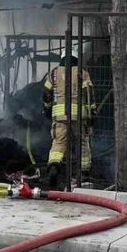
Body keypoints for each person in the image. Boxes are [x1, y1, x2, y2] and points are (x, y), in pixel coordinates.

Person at [42, 47, 96, 189]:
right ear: (76, 58)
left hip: (60, 115)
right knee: (82, 142)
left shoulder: (53, 73)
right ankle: (84, 173)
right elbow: (89, 94)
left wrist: (47, 108)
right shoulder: (82, 73)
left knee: (59, 142)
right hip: (79, 115)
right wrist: (92, 112)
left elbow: (46, 93)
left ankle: (54, 165)